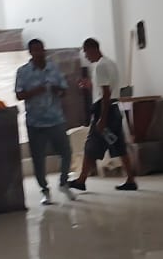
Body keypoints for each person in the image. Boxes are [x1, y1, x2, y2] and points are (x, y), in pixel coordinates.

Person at [68, 37, 137, 192]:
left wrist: (102, 119)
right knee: (119, 145)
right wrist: (90, 86)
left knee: (91, 145)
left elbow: (106, 93)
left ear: (92, 49)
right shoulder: (110, 63)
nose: (86, 57)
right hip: (114, 108)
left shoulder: (100, 66)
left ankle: (81, 180)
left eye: (86, 53)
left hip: (104, 110)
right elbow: (106, 88)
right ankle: (131, 179)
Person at [15, 39, 75, 205]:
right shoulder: (23, 72)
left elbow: (64, 90)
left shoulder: (53, 68)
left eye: (41, 49)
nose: (39, 53)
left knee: (66, 152)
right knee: (38, 158)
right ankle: (44, 190)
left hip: (56, 119)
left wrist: (57, 90)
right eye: (35, 50)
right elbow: (19, 95)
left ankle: (63, 183)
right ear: (30, 52)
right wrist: (36, 91)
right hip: (35, 122)